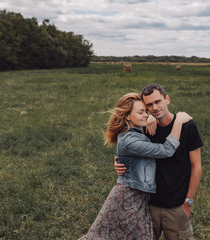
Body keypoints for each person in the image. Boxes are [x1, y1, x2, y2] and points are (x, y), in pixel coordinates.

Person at [78, 93, 192, 240]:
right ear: (127, 116)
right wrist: (178, 121)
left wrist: (151, 117)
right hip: (127, 199)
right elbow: (166, 150)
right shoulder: (129, 140)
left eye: (146, 111)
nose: (146, 115)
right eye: (141, 112)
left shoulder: (138, 131)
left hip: (140, 198)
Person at [115, 83, 204, 240]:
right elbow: (129, 147)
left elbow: (196, 166)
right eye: (149, 105)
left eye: (158, 101)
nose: (154, 107)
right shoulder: (145, 129)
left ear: (167, 99)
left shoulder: (187, 126)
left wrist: (188, 202)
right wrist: (119, 162)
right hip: (148, 205)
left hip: (177, 207)